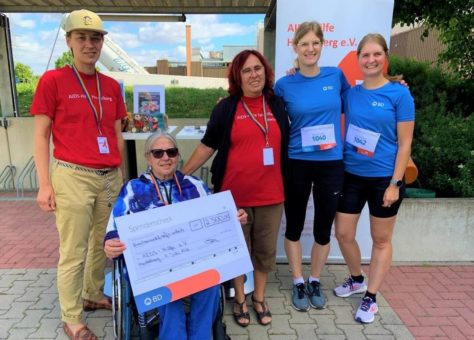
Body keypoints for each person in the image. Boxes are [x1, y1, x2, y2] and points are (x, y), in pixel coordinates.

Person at [31, 9, 126, 340]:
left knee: (103, 240)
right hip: (72, 175)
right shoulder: (53, 81)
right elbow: (41, 135)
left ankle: (92, 292)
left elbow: (115, 135)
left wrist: (122, 179)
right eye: (82, 37)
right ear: (69, 41)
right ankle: (71, 317)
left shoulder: (112, 86)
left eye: (96, 38)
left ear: (102, 43)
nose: (90, 44)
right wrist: (44, 185)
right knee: (73, 250)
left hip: (109, 175)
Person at [181, 50, 289, 327]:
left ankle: (259, 297)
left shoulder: (277, 104)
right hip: (233, 196)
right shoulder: (226, 108)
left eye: (258, 69)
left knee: (264, 251)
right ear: (237, 77)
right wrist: (181, 176)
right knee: (236, 251)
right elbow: (208, 146)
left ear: (265, 72)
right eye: (246, 71)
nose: (254, 75)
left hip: (271, 195)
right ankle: (240, 298)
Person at [104, 132, 248, 339]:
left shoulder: (194, 185)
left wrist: (234, 218)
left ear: (178, 155)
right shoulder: (133, 189)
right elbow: (114, 228)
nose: (165, 157)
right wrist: (110, 244)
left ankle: (201, 335)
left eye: (171, 152)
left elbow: (217, 217)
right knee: (169, 300)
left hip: (194, 262)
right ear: (148, 158)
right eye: (158, 152)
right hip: (155, 268)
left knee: (210, 283)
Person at [333, 33, 415, 324]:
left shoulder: (399, 94)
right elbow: (321, 99)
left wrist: (395, 184)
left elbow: (405, 144)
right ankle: (357, 279)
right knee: (343, 233)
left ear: (385, 58)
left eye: (376, 54)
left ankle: (371, 297)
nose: (371, 60)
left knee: (381, 240)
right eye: (365, 55)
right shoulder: (351, 94)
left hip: (385, 179)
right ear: (358, 60)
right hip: (351, 175)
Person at [273, 21, 350, 312]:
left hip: (331, 164)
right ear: (295, 47)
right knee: (293, 226)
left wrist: (394, 83)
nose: (310, 48)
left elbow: (358, 98)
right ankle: (297, 282)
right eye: (304, 43)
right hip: (297, 162)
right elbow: (272, 118)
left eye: (315, 43)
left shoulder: (336, 75)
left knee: (322, 229)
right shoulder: (284, 84)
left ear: (322, 45)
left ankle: (315, 279)